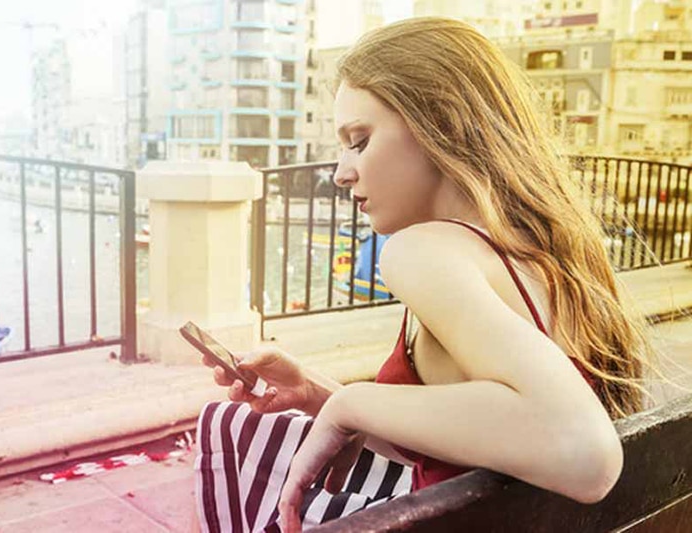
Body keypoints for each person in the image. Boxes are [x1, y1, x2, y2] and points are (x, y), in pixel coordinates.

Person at [194, 17, 657, 532]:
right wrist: (317, 393)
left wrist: (354, 400)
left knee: (225, 428)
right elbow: (477, 435)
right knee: (239, 425)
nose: (341, 172)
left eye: (360, 140)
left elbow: (585, 455)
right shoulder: (543, 253)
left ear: (443, 124)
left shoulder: (421, 252)